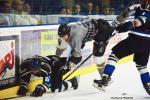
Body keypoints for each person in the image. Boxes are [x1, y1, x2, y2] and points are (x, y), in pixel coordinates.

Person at [93, 0, 150, 95]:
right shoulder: (137, 6)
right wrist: (113, 27)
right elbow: (124, 15)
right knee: (142, 66)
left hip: (135, 39)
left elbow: (140, 20)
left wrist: (127, 25)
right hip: (147, 43)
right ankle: (148, 85)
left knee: (114, 55)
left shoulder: (140, 8)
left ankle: (105, 79)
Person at [56, 17, 115, 89]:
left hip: (102, 32)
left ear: (68, 33)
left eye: (64, 36)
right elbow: (62, 47)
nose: (63, 38)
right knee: (73, 56)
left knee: (97, 57)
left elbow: (77, 57)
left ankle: (106, 79)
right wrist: (57, 58)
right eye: (61, 36)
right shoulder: (69, 29)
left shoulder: (75, 37)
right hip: (94, 26)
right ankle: (75, 78)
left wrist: (67, 68)